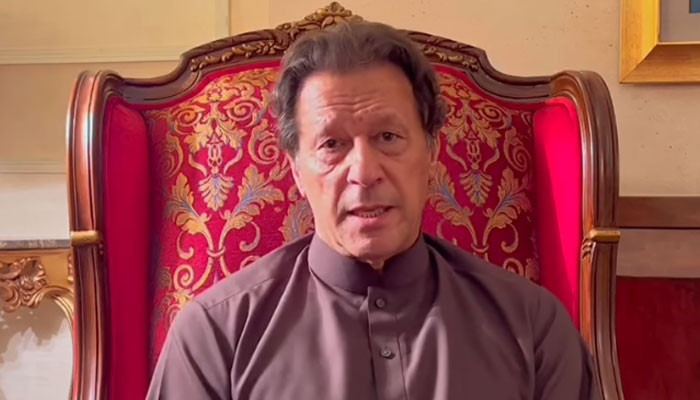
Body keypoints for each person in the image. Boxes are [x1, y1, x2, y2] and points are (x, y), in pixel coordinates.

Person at [147, 21, 599, 400]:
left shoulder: (532, 326)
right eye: (332, 144)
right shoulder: (216, 336)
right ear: (297, 171)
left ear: (431, 154)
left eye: (388, 137)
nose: (364, 172)